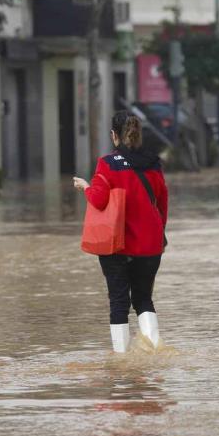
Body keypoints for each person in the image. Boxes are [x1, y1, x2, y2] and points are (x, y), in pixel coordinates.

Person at [73, 111, 169, 353]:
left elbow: (98, 199)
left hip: (117, 245)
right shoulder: (153, 164)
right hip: (150, 245)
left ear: (113, 135)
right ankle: (155, 351)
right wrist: (159, 235)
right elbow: (162, 204)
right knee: (144, 299)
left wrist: (85, 186)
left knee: (118, 302)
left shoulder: (107, 163)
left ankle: (122, 361)